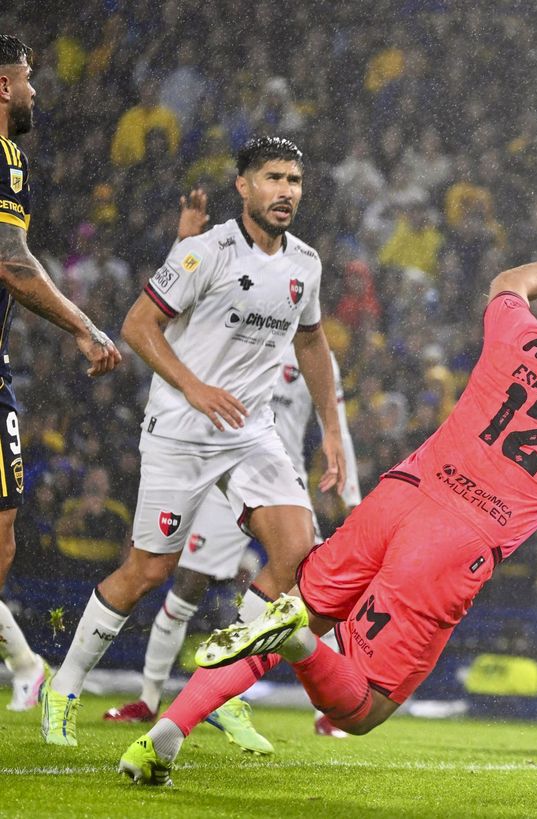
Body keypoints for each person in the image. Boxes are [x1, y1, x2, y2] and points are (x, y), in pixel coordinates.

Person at [118, 227, 537, 785]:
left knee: (298, 608)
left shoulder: (516, 337)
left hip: (401, 497)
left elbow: (510, 282)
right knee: (362, 708)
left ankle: (165, 734)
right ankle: (300, 645)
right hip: (455, 544)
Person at [41, 136, 346, 747]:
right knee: (149, 570)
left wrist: (331, 428)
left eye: (294, 180)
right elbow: (137, 325)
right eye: (273, 178)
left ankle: (217, 688)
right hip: (182, 427)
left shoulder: (306, 263)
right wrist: (195, 387)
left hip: (251, 431)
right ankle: (64, 687)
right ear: (243, 186)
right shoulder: (205, 252)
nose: (286, 191)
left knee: (299, 558)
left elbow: (312, 342)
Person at [101, 191, 362, 746]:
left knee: (313, 579)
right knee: (185, 583)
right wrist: (184, 242)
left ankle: (250, 696)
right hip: (217, 461)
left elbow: (332, 418)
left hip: (272, 477)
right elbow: (175, 310)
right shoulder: (235, 331)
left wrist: (351, 492)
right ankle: (151, 696)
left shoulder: (310, 352)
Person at [0, 34, 122, 712]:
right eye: (27, 77)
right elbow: (11, 261)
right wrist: (84, 326)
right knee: (2, 535)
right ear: (3, 86)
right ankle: (27, 666)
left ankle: (25, 665)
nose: (35, 91)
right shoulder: (4, 156)